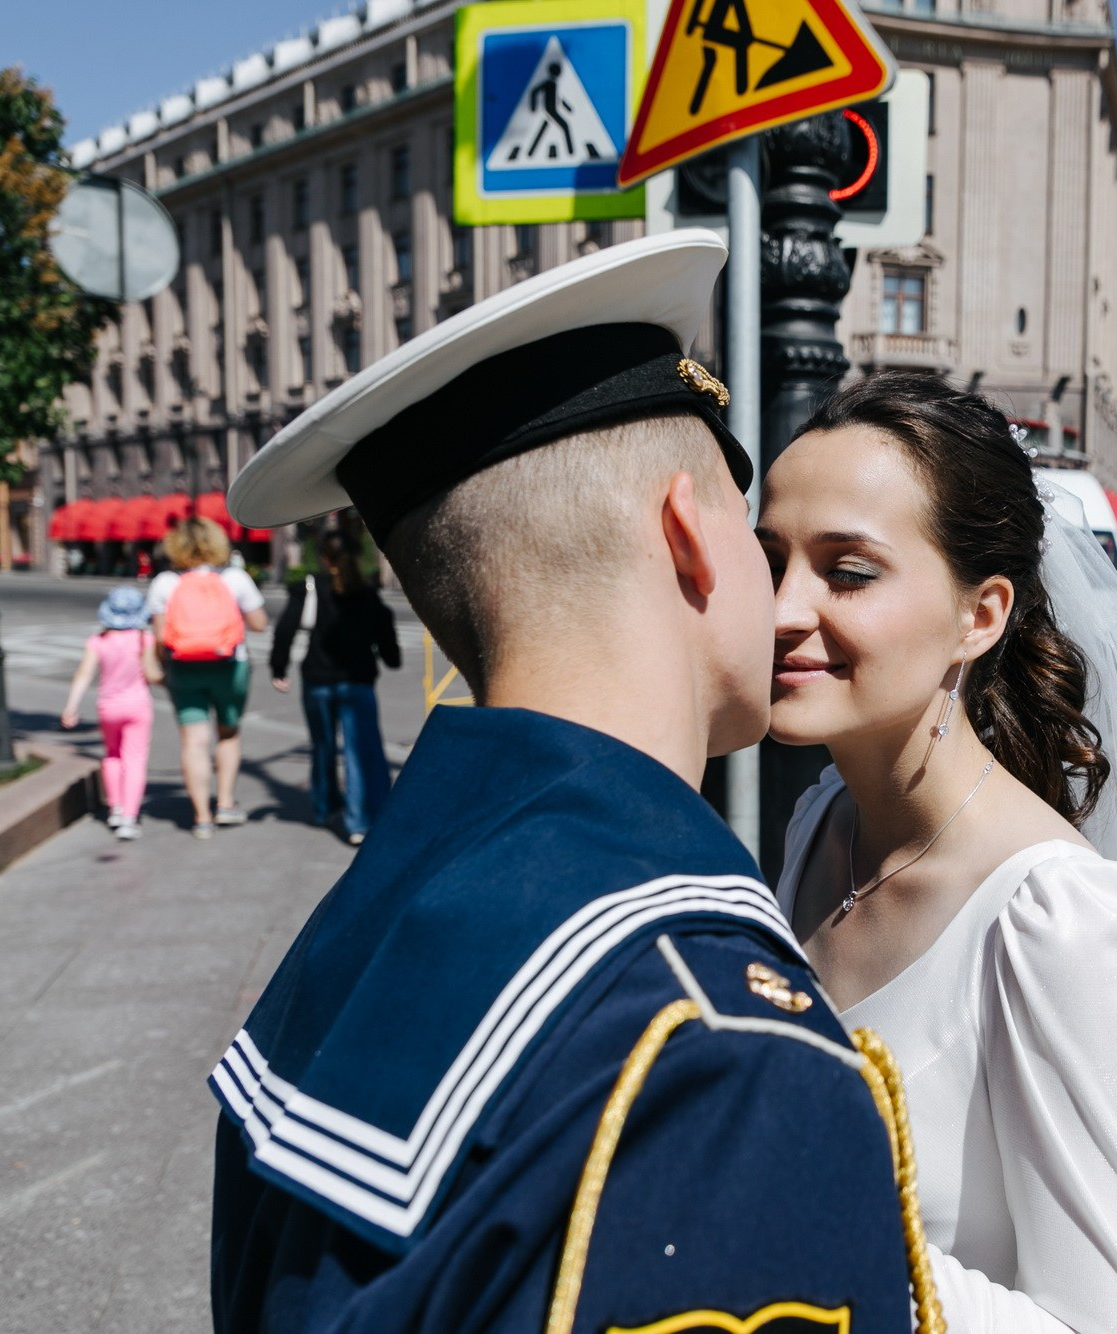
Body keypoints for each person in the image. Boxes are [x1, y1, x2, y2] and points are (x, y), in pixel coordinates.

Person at [212, 232, 930, 1334]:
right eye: (754, 539)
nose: (784, 602)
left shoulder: (373, 909)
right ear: (688, 534)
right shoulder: (715, 1055)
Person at [759, 370, 1117, 1334]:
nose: (781, 609)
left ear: (979, 616)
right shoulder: (823, 818)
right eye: (767, 558)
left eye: (847, 572)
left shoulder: (1064, 925)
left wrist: (784, 1235)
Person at [269, 528, 402, 844]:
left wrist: (279, 667)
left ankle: (323, 807)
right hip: (357, 682)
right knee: (360, 751)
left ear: (324, 558)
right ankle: (360, 820)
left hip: (317, 680)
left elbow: (285, 629)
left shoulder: (310, 588)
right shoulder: (368, 593)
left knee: (323, 746)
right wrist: (389, 656)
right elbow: (387, 640)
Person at [147, 517, 269, 838]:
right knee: (227, 734)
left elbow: (160, 636)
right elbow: (259, 624)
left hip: (184, 667)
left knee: (194, 741)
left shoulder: (164, 583)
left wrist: (160, 668)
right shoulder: (235, 578)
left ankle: (202, 818)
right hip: (230, 666)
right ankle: (226, 803)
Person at [60, 585, 163, 841]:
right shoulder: (144, 639)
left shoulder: (97, 641)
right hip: (138, 706)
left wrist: (71, 706)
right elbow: (151, 674)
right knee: (135, 760)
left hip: (108, 707)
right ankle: (129, 818)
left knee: (112, 755)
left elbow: (84, 674)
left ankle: (115, 809)